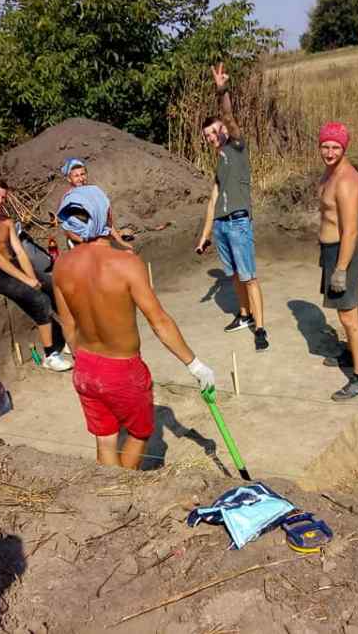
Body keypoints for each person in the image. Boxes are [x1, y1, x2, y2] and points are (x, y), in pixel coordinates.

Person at [52, 184, 215, 469]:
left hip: (86, 368)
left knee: (105, 439)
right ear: (107, 216)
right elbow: (159, 321)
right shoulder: (126, 264)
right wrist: (195, 364)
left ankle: (108, 493)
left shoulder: (62, 265)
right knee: (140, 434)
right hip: (123, 371)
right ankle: (126, 491)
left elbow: (68, 324)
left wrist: (86, 363)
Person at [195, 63, 269, 352]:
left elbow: (228, 114)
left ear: (224, 130)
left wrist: (221, 89)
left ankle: (260, 328)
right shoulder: (219, 163)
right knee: (235, 275)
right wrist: (205, 235)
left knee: (249, 276)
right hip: (223, 226)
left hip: (238, 222)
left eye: (214, 132)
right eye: (208, 137)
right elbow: (212, 200)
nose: (212, 138)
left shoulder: (236, 147)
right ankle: (244, 315)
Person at [0, 178, 72, 372]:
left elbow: (20, 252)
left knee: (52, 285)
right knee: (39, 299)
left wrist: (33, 278)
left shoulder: (6, 221)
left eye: (3, 197)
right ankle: (50, 355)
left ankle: (69, 337)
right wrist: (27, 281)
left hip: (13, 265)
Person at [317, 122, 358, 401]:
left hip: (343, 253)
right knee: (345, 314)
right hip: (331, 251)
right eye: (325, 145)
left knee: (350, 317)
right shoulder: (331, 172)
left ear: (344, 147)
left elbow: (350, 229)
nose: (329, 151)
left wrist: (340, 269)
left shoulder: (347, 181)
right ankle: (350, 354)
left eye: (335, 147)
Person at [58, 157, 134, 251]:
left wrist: (121, 242)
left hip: (100, 240)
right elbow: (68, 230)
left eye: (82, 174)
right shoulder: (70, 199)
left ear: (86, 175)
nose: (81, 178)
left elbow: (107, 223)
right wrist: (84, 241)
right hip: (80, 244)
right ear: (69, 179)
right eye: (76, 176)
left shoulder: (96, 193)